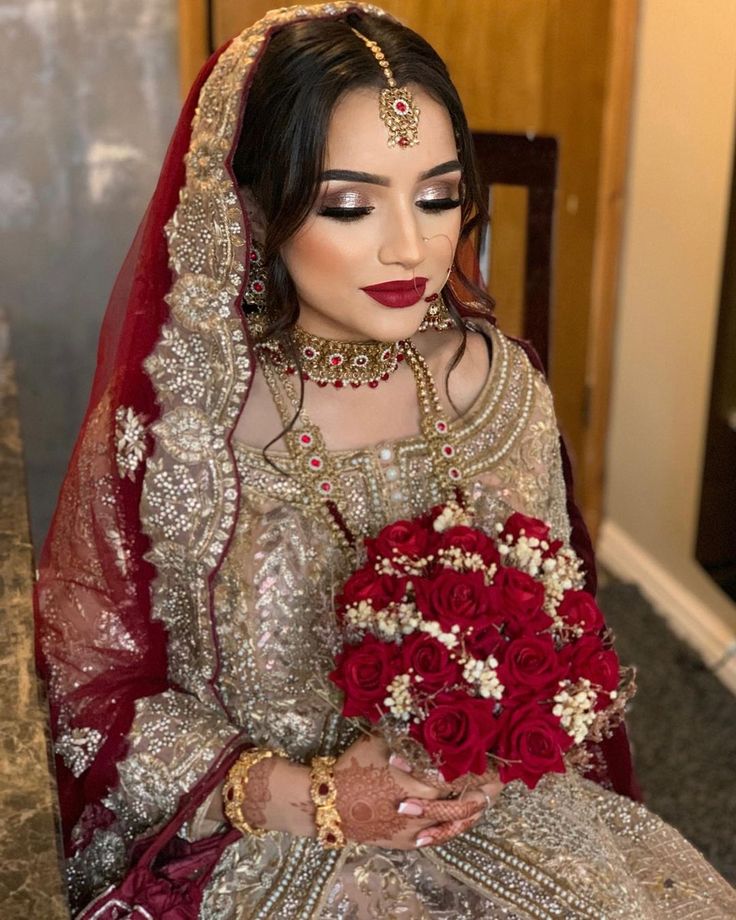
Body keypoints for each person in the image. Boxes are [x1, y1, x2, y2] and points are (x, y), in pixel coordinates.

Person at [35, 4, 735, 917]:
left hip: (495, 818)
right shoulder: (174, 423)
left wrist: (503, 747)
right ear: (256, 205)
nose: (413, 246)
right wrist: (310, 797)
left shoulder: (501, 388)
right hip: (267, 846)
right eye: (351, 204)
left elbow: (561, 628)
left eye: (439, 195)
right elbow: (91, 695)